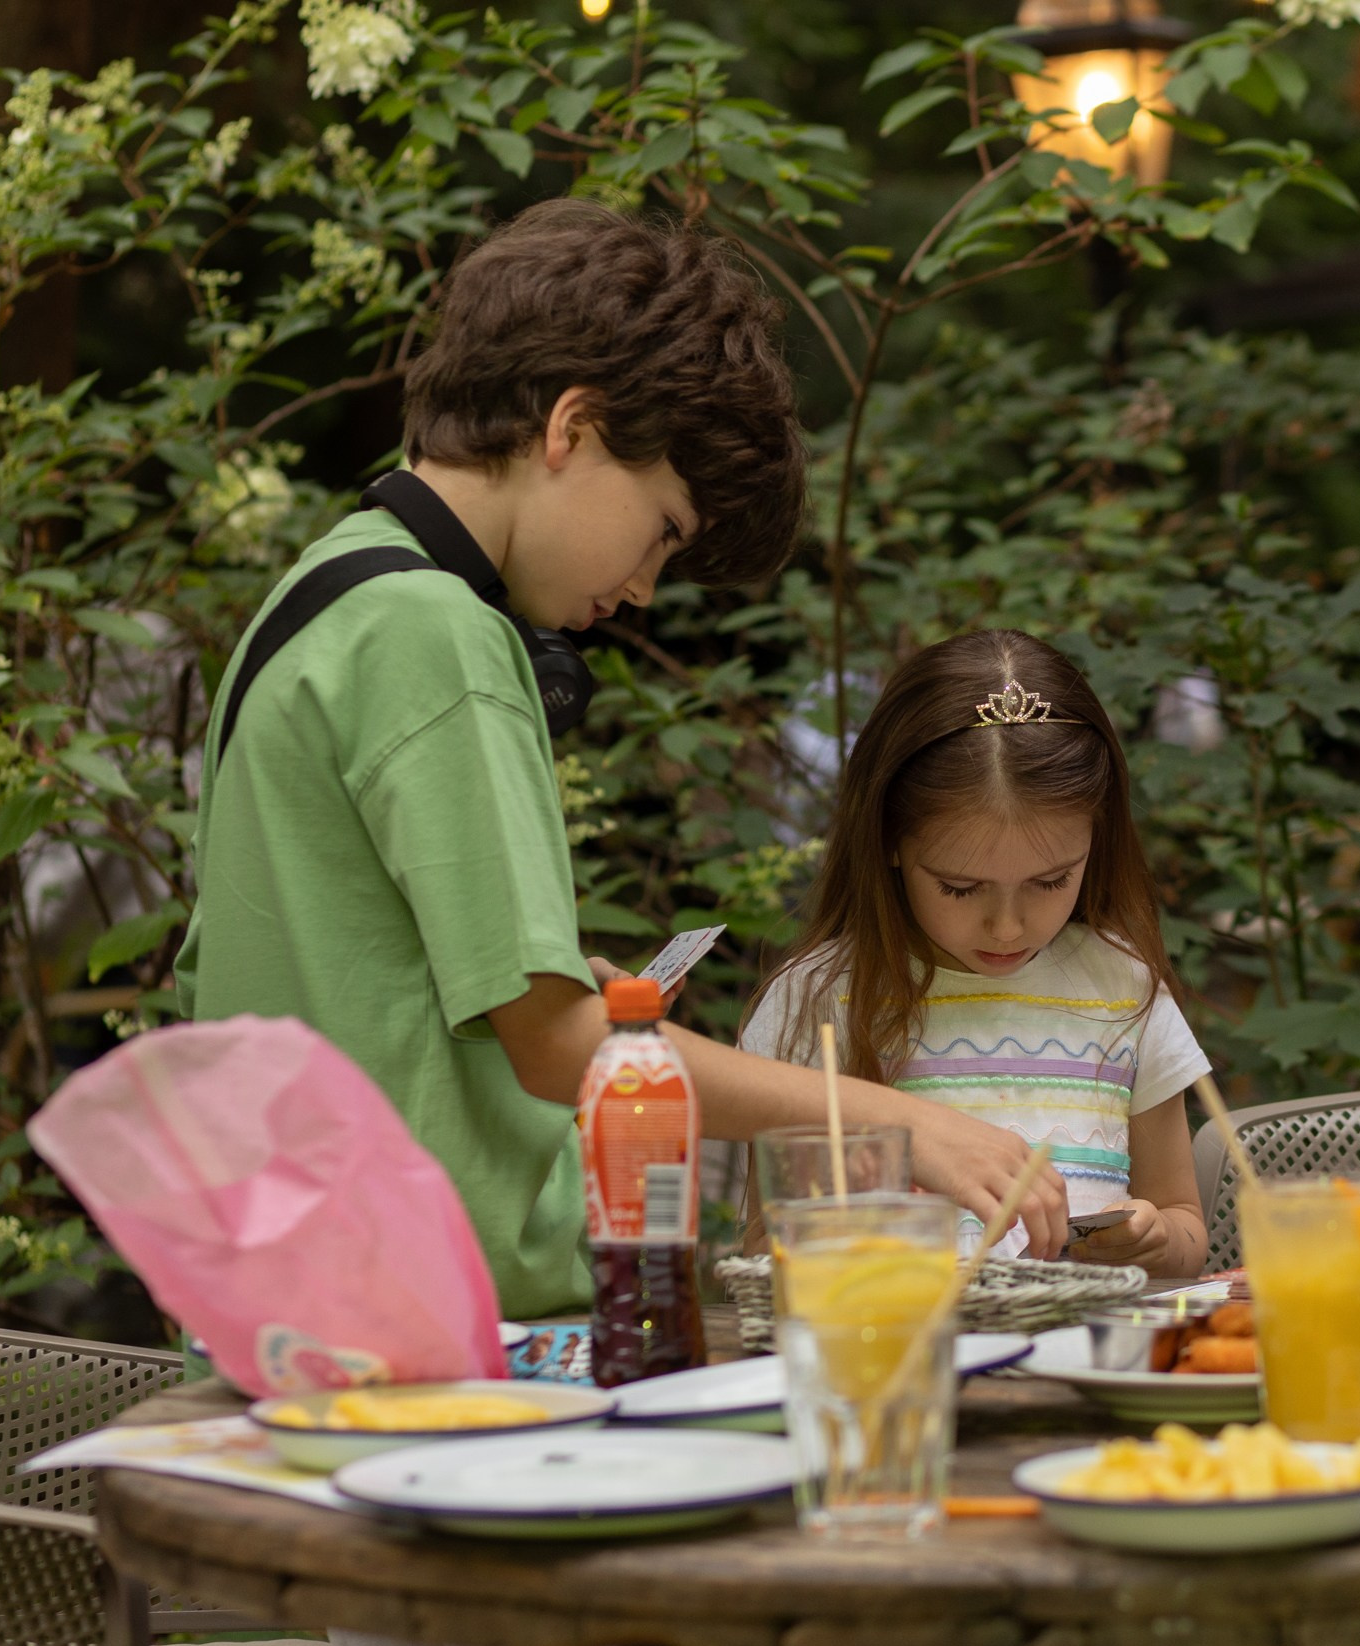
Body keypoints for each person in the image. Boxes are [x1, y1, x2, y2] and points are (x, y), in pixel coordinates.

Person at [175, 201, 1068, 1331]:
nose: (644, 587)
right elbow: (557, 1050)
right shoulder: (442, 637)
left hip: (303, 1298)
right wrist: (885, 1116)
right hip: (440, 1326)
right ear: (573, 427)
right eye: (661, 528)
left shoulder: (320, 596)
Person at [743, 629, 1210, 1278]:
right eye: (960, 887)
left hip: (1084, 1366)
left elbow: (1185, 1223)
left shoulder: (1123, 986)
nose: (1008, 924)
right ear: (890, 840)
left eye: (1051, 881)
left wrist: (1154, 1238)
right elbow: (763, 1249)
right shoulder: (817, 1000)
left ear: (1095, 841)